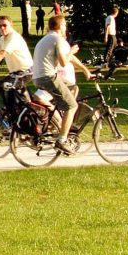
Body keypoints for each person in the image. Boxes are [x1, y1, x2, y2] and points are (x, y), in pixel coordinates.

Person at [32, 14, 91, 154]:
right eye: (65, 25)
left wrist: (85, 71)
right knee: (72, 105)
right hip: (48, 77)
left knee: (72, 86)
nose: (66, 27)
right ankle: (62, 140)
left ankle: (59, 119)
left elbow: (68, 58)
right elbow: (64, 62)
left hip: (39, 77)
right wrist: (72, 51)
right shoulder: (58, 39)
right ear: (60, 26)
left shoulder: (47, 38)